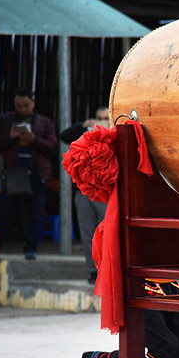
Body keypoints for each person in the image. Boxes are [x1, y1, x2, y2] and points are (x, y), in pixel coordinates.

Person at [0, 87, 58, 260]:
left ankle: (31, 248)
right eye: (18, 106)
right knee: (4, 211)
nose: (22, 109)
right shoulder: (6, 120)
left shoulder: (44, 122)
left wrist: (34, 139)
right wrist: (11, 136)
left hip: (37, 171)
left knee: (35, 212)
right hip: (13, 171)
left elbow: (53, 146)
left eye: (25, 105)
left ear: (33, 102)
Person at [60, 107, 110, 283]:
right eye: (99, 118)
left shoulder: (114, 135)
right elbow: (64, 136)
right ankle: (93, 272)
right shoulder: (86, 135)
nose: (102, 120)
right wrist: (86, 125)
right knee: (87, 234)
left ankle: (107, 271)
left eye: (106, 118)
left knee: (107, 235)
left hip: (106, 194)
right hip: (85, 193)